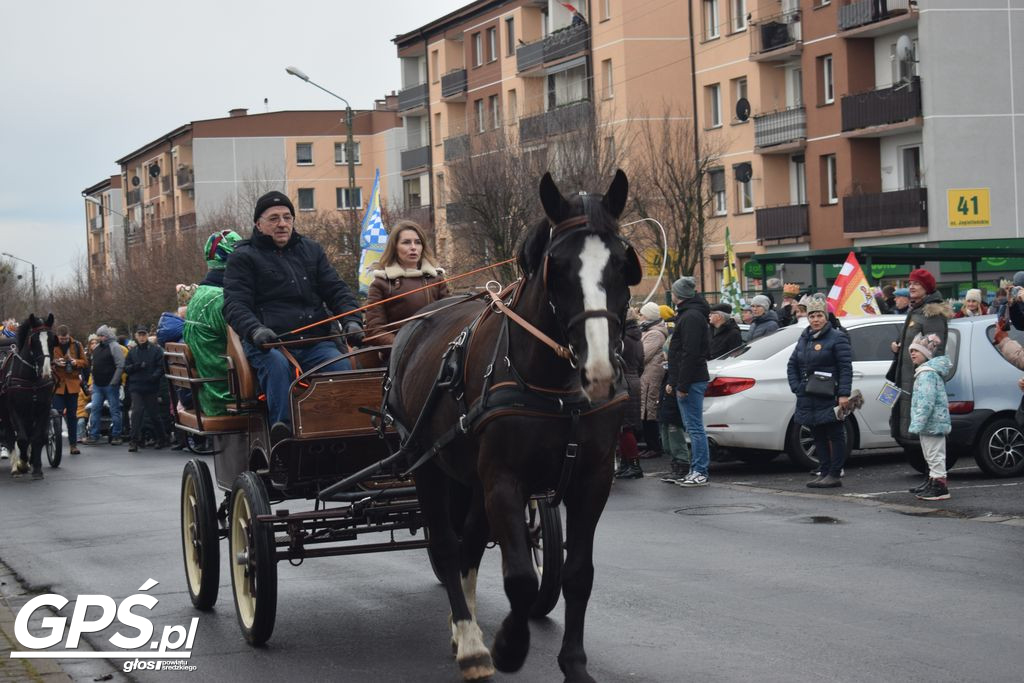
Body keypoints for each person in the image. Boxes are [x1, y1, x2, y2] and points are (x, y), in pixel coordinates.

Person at [223, 190, 364, 441]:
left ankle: (342, 432)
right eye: (274, 218)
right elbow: (235, 305)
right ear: (258, 224)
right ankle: (283, 435)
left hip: (315, 341)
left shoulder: (311, 250)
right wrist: (256, 331)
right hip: (269, 344)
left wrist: (352, 320)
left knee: (340, 365)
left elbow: (336, 289)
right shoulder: (242, 257)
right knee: (277, 368)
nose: (282, 224)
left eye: (288, 217)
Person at [786, 296, 853, 488]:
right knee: (817, 434)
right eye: (812, 316)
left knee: (835, 433)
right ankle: (823, 471)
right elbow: (792, 364)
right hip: (808, 394)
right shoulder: (804, 337)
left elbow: (845, 368)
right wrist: (797, 387)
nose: (816, 320)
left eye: (819, 316)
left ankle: (834, 473)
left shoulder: (837, 337)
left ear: (826, 317)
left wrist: (843, 394)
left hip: (829, 394)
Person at [184, 229, 244, 417]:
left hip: (209, 394)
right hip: (229, 396)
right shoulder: (221, 299)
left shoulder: (199, 295)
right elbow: (247, 345)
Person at [364, 220, 449, 349]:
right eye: (406, 242)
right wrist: (404, 346)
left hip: (437, 351)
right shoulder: (381, 283)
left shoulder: (436, 279)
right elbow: (375, 331)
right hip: (400, 355)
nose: (413, 247)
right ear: (394, 247)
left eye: (418, 242)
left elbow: (451, 317)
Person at [889, 268, 951, 444]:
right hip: (907, 377)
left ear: (927, 288)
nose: (912, 287)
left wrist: (923, 376)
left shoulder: (931, 314)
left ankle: (933, 471)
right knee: (913, 436)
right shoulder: (915, 310)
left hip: (920, 380)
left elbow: (934, 350)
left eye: (916, 283)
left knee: (924, 436)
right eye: (910, 283)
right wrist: (898, 347)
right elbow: (915, 342)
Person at [665, 276, 711, 487]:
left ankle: (700, 471)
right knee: (692, 427)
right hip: (687, 379)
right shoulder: (689, 314)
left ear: (678, 295)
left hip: (691, 380)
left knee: (695, 428)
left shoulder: (690, 316)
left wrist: (681, 384)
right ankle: (695, 469)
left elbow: (690, 353)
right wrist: (675, 382)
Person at [906, 333, 952, 501]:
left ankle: (940, 486)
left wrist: (918, 422)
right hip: (930, 424)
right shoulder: (924, 373)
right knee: (931, 455)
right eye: (911, 351)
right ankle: (934, 481)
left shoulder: (927, 374)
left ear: (926, 354)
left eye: (916, 351)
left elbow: (927, 401)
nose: (912, 354)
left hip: (932, 423)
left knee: (935, 455)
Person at [124, 326, 168, 452]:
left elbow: (161, 366)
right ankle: (134, 441)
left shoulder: (155, 350)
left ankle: (162, 437)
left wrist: (154, 377)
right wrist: (137, 366)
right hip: (136, 386)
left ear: (147, 335)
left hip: (150, 386)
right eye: (140, 335)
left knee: (154, 414)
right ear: (136, 336)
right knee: (137, 412)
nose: (142, 337)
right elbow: (126, 368)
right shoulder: (132, 352)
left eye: (144, 335)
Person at [614, 311, 645, 479]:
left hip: (623, 381)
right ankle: (627, 463)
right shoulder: (637, 339)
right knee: (624, 427)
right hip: (633, 380)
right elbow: (641, 364)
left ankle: (633, 464)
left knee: (625, 427)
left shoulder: (623, 339)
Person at [83, 325, 125, 445]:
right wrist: (94, 381)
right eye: (99, 336)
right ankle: (94, 434)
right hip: (98, 385)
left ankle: (117, 435)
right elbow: (93, 366)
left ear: (108, 335)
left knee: (114, 410)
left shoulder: (115, 347)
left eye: (102, 335)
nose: (101, 338)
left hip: (110, 385)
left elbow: (120, 365)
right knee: (95, 409)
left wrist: (114, 382)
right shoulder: (96, 348)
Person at [637, 302, 669, 458]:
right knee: (645, 410)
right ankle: (651, 445)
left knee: (649, 411)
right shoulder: (649, 331)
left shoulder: (655, 334)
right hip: (646, 376)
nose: (640, 318)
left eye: (642, 315)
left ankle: (654, 447)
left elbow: (642, 355)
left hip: (651, 377)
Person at [52, 325, 87, 455]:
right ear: (57, 336)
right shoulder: (52, 344)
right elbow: (44, 361)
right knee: (57, 415)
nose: (63, 341)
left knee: (72, 416)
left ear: (69, 335)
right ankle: (57, 444)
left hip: (72, 385)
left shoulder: (77, 345)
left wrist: (74, 362)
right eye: (61, 339)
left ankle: (73, 445)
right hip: (58, 385)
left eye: (65, 338)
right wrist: (55, 362)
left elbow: (85, 362)